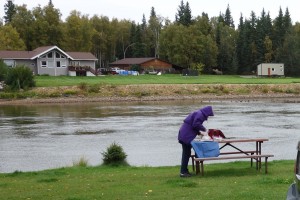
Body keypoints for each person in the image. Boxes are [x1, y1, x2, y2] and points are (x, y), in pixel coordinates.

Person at [178, 106, 214, 177]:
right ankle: (183, 172)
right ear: (207, 113)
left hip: (184, 134)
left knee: (187, 153)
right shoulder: (200, 114)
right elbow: (196, 124)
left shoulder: (198, 113)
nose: (208, 117)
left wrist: (199, 133)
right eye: (209, 115)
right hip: (186, 136)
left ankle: (184, 170)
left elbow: (193, 125)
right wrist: (204, 130)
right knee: (186, 154)